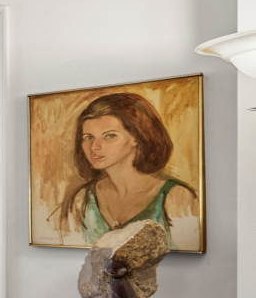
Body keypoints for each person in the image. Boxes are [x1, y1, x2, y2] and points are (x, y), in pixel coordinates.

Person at [54, 92, 198, 248]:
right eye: (88, 137)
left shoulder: (177, 197)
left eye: (109, 136)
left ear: (136, 137)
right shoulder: (82, 200)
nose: (95, 147)